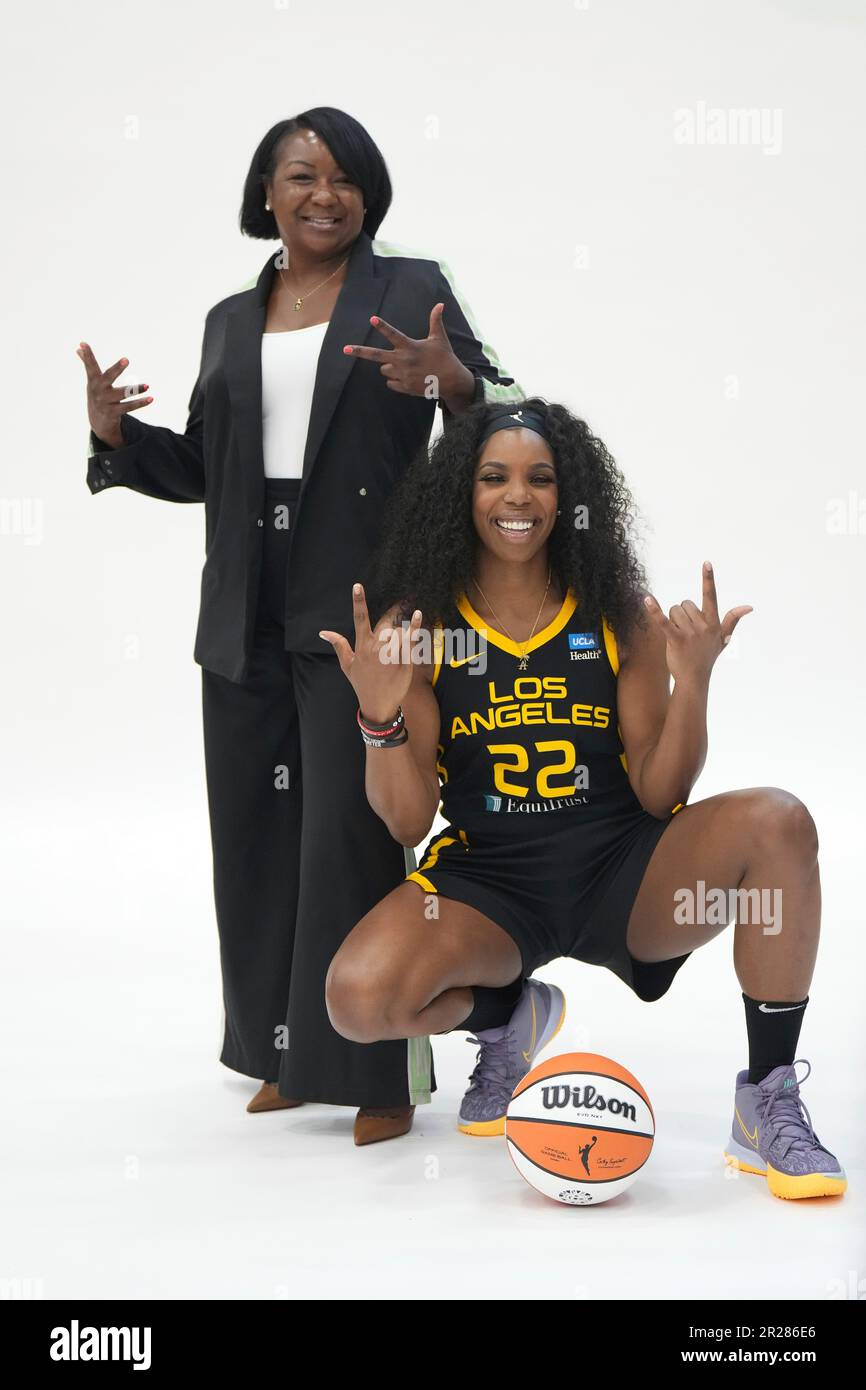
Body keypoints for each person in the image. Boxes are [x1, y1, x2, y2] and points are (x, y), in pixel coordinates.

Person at [78, 106, 523, 1145]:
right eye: (298, 176)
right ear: (265, 196)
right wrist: (115, 435)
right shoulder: (230, 319)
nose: (322, 194)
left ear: (367, 193)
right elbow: (203, 466)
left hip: (363, 602)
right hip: (243, 607)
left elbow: (497, 403)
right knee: (257, 839)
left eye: (342, 177)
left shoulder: (409, 290)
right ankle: (282, 1050)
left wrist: (446, 381)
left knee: (351, 837)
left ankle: (374, 1067)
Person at [321, 397, 847, 1199]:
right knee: (357, 998)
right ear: (462, 493)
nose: (517, 497)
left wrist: (693, 683)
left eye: (540, 478)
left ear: (568, 497)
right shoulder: (420, 629)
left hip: (622, 874)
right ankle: (505, 1014)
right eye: (494, 477)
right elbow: (407, 818)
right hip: (488, 884)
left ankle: (767, 1099)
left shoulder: (610, 611)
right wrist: (380, 717)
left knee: (780, 821)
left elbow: (662, 789)